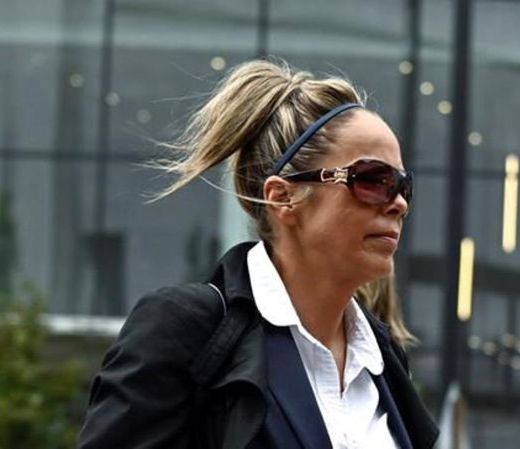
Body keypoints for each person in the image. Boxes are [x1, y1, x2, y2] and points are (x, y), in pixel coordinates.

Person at [77, 58, 438, 449]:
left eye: (403, 185)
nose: (398, 203)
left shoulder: (383, 358)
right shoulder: (187, 331)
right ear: (282, 198)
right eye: (372, 180)